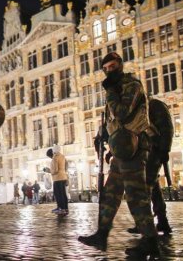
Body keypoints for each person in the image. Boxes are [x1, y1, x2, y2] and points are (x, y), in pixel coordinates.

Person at [78, 52, 160, 258]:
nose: (109, 71)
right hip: (121, 148)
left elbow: (122, 112)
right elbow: (114, 120)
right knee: (110, 193)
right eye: (105, 69)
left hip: (132, 147)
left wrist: (111, 93)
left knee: (136, 195)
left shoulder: (131, 85)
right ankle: (102, 234)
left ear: (121, 66)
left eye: (113, 67)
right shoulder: (117, 87)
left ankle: (150, 241)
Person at [127, 96, 174, 235]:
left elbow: (167, 128)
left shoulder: (155, 105)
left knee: (145, 185)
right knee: (153, 187)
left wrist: (165, 149)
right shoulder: (140, 110)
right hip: (146, 151)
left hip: (156, 149)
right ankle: (162, 221)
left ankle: (144, 223)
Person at [47, 146, 68, 215]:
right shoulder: (62, 156)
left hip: (57, 178)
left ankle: (60, 208)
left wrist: (49, 171)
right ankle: (65, 208)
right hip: (63, 177)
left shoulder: (55, 158)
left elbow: (55, 170)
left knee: (58, 194)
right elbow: (66, 166)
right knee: (63, 194)